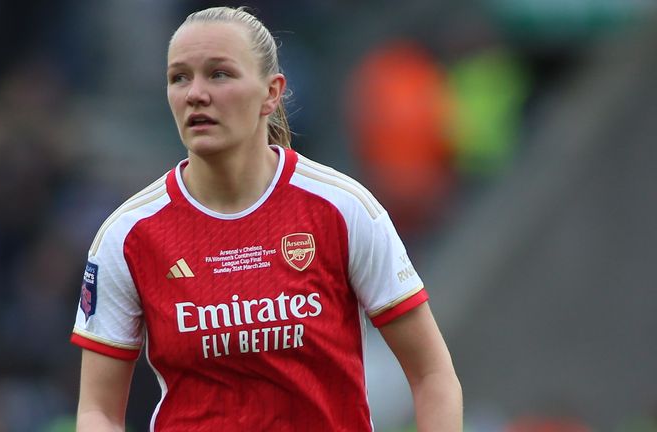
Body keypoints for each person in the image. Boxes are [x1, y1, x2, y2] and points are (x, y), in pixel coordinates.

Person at [70, 6, 462, 432]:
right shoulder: (128, 234)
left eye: (219, 74)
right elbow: (99, 411)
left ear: (271, 93)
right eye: (179, 77)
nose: (195, 93)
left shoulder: (342, 209)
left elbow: (433, 376)